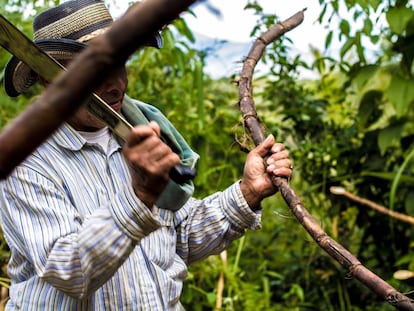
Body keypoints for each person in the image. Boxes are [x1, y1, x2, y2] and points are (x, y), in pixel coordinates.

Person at [0, 0, 293, 310]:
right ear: (50, 79)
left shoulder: (139, 130)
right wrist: (139, 197)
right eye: (97, 73)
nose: (117, 85)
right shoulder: (26, 162)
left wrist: (248, 192)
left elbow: (179, 235)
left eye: (120, 66)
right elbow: (69, 271)